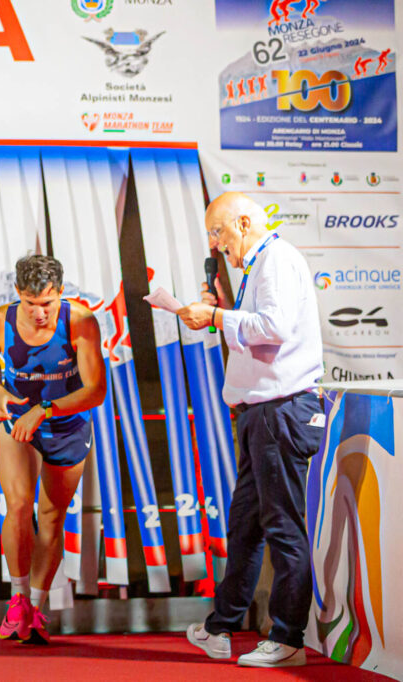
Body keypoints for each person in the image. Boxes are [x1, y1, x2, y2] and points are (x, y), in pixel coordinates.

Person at [179, 192, 323, 668]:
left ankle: (288, 638)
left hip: (280, 412)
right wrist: (220, 308)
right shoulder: (258, 266)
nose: (217, 246)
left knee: (283, 526)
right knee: (245, 526)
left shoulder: (276, 260)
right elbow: (254, 334)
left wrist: (218, 316)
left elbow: (274, 326)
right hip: (260, 415)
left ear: (243, 222)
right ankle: (221, 627)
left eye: (218, 233)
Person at [0, 255, 106, 644]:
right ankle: (16, 599)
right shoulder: (0, 320)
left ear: (61, 294)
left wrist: (45, 409)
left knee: (51, 516)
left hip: (65, 424)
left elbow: (95, 391)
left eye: (47, 304)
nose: (39, 314)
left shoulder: (80, 321)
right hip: (18, 422)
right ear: (18, 295)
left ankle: (34, 604)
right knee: (16, 505)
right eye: (30, 304)